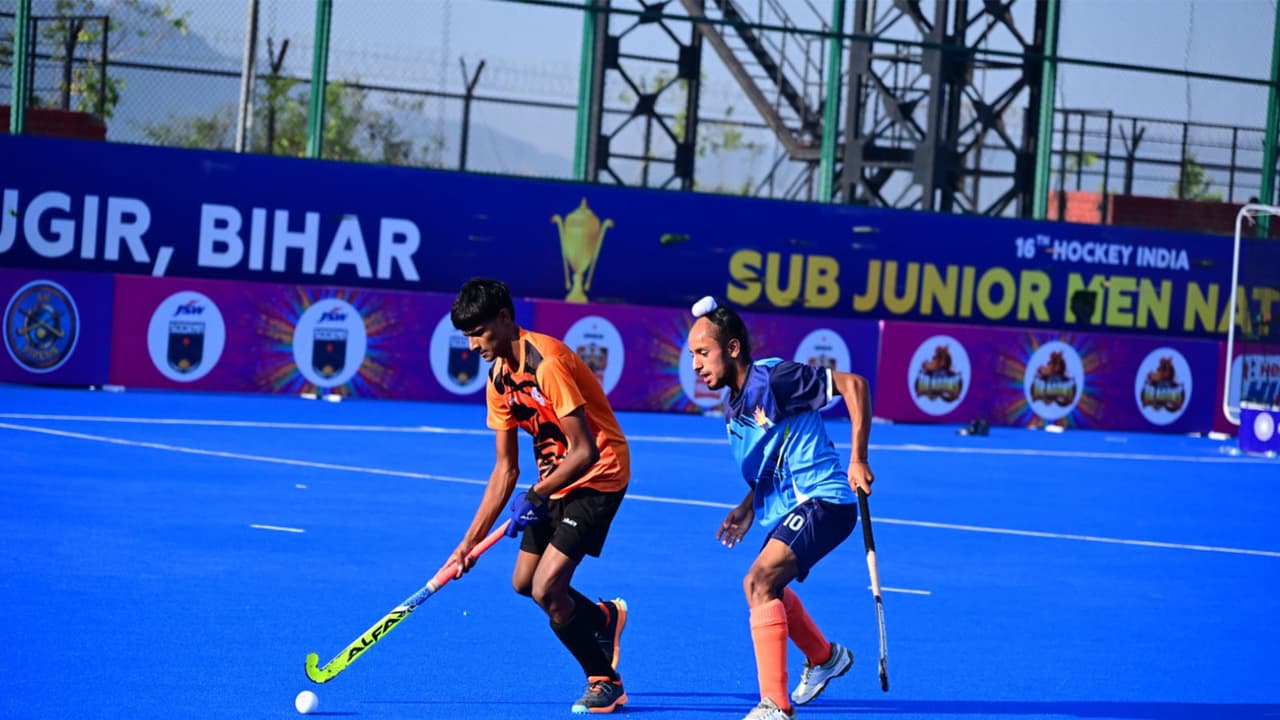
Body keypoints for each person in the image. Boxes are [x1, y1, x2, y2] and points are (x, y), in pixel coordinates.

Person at [446, 278, 631, 714]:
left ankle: (605, 679)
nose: (473, 345)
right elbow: (504, 470)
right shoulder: (498, 380)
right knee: (524, 583)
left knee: (548, 589)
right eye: (467, 336)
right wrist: (468, 543)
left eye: (479, 332)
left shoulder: (546, 363)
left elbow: (584, 450)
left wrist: (537, 493)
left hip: (598, 474)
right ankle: (604, 618)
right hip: (554, 480)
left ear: (505, 319)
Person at [686, 296, 876, 720]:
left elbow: (855, 385)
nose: (696, 364)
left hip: (824, 499)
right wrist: (747, 506)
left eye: (703, 353)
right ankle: (825, 657)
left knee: (759, 582)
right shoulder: (734, 405)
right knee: (765, 589)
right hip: (791, 505)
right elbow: (772, 458)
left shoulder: (773, 379)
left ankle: (775, 706)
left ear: (732, 348)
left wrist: (858, 457)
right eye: (692, 355)